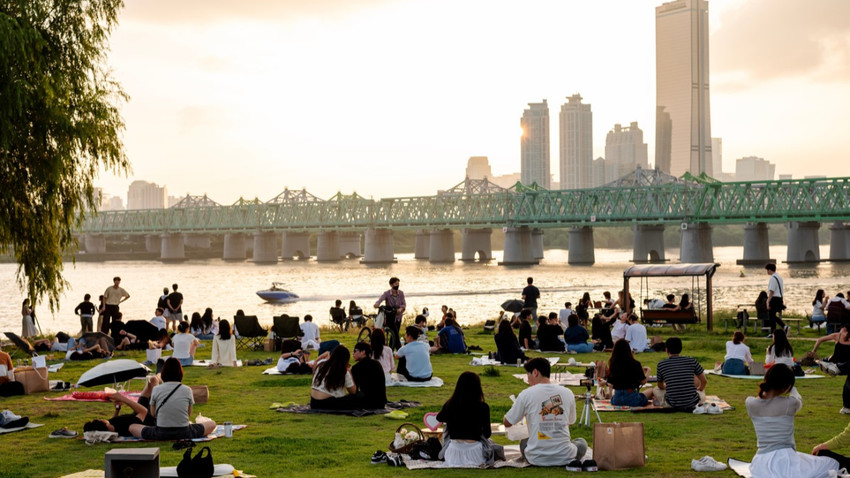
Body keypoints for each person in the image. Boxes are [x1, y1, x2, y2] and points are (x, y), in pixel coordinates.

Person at [746, 364, 841, 477]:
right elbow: (798, 399)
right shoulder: (790, 403)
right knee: (831, 463)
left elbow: (765, 400)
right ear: (786, 387)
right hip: (785, 459)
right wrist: (792, 388)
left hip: (761, 462)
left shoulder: (750, 403)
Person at [503, 358, 587, 467]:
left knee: (525, 442)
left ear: (535, 372)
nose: (527, 380)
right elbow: (570, 422)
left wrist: (507, 415)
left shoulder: (526, 394)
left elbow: (507, 422)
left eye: (527, 375)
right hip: (565, 456)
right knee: (581, 442)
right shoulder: (567, 393)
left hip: (535, 458)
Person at [132, 357, 216, 440]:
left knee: (133, 427)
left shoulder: (156, 389)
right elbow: (188, 414)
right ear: (180, 373)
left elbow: (154, 414)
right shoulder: (187, 390)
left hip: (161, 432)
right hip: (184, 432)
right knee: (212, 424)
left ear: (164, 373)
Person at [437, 371, 492, 467]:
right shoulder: (483, 407)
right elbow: (487, 434)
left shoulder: (450, 405)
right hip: (475, 453)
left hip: (453, 453)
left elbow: (439, 417)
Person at [83, 376, 160, 437]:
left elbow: (113, 420)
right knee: (154, 381)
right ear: (107, 427)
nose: (102, 419)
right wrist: (122, 398)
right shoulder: (126, 426)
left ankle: (160, 374)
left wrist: (117, 409)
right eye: (101, 420)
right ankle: (163, 385)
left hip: (137, 414)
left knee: (152, 380)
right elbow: (144, 411)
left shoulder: (111, 427)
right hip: (148, 416)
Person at [651, 337, 707, 411]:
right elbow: (704, 381)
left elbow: (660, 386)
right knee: (702, 391)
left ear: (666, 350)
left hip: (671, 404)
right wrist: (700, 389)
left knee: (655, 389)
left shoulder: (661, 364)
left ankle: (663, 401)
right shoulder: (692, 361)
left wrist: (668, 387)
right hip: (693, 403)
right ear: (681, 349)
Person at [812, 325, 850, 413]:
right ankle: (847, 407)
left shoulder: (837, 335)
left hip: (838, 363)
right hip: (844, 365)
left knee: (848, 385)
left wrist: (814, 351)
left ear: (843, 328)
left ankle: (847, 407)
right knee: (848, 385)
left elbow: (820, 339)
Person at [604, 339, 653, 407]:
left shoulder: (613, 364)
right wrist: (648, 371)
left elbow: (611, 383)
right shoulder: (635, 364)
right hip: (632, 397)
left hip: (617, 399)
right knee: (651, 390)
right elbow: (643, 382)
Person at [310, 345, 358, 410]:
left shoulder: (321, 366)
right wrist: (349, 371)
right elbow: (353, 392)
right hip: (328, 403)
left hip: (314, 402)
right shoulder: (342, 371)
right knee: (358, 397)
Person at [351, 342, 387, 409]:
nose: (353, 353)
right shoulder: (377, 363)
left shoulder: (356, 368)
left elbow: (354, 390)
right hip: (381, 402)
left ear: (363, 352)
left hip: (367, 402)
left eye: (355, 351)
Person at [374, 277, 406, 346]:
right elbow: (380, 299)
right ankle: (399, 350)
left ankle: (391, 349)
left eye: (398, 284)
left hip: (398, 317)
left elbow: (404, 304)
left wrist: (400, 309)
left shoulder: (401, 293)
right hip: (390, 316)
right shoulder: (387, 293)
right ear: (391, 285)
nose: (397, 285)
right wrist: (377, 304)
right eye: (395, 284)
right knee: (396, 334)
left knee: (394, 334)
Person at [765, 263, 788, 335]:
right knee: (773, 316)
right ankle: (774, 332)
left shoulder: (772, 278)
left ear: (769, 270)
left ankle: (783, 327)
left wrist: (768, 301)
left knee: (771, 316)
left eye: (767, 270)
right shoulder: (779, 277)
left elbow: (771, 291)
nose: (767, 272)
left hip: (774, 299)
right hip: (780, 298)